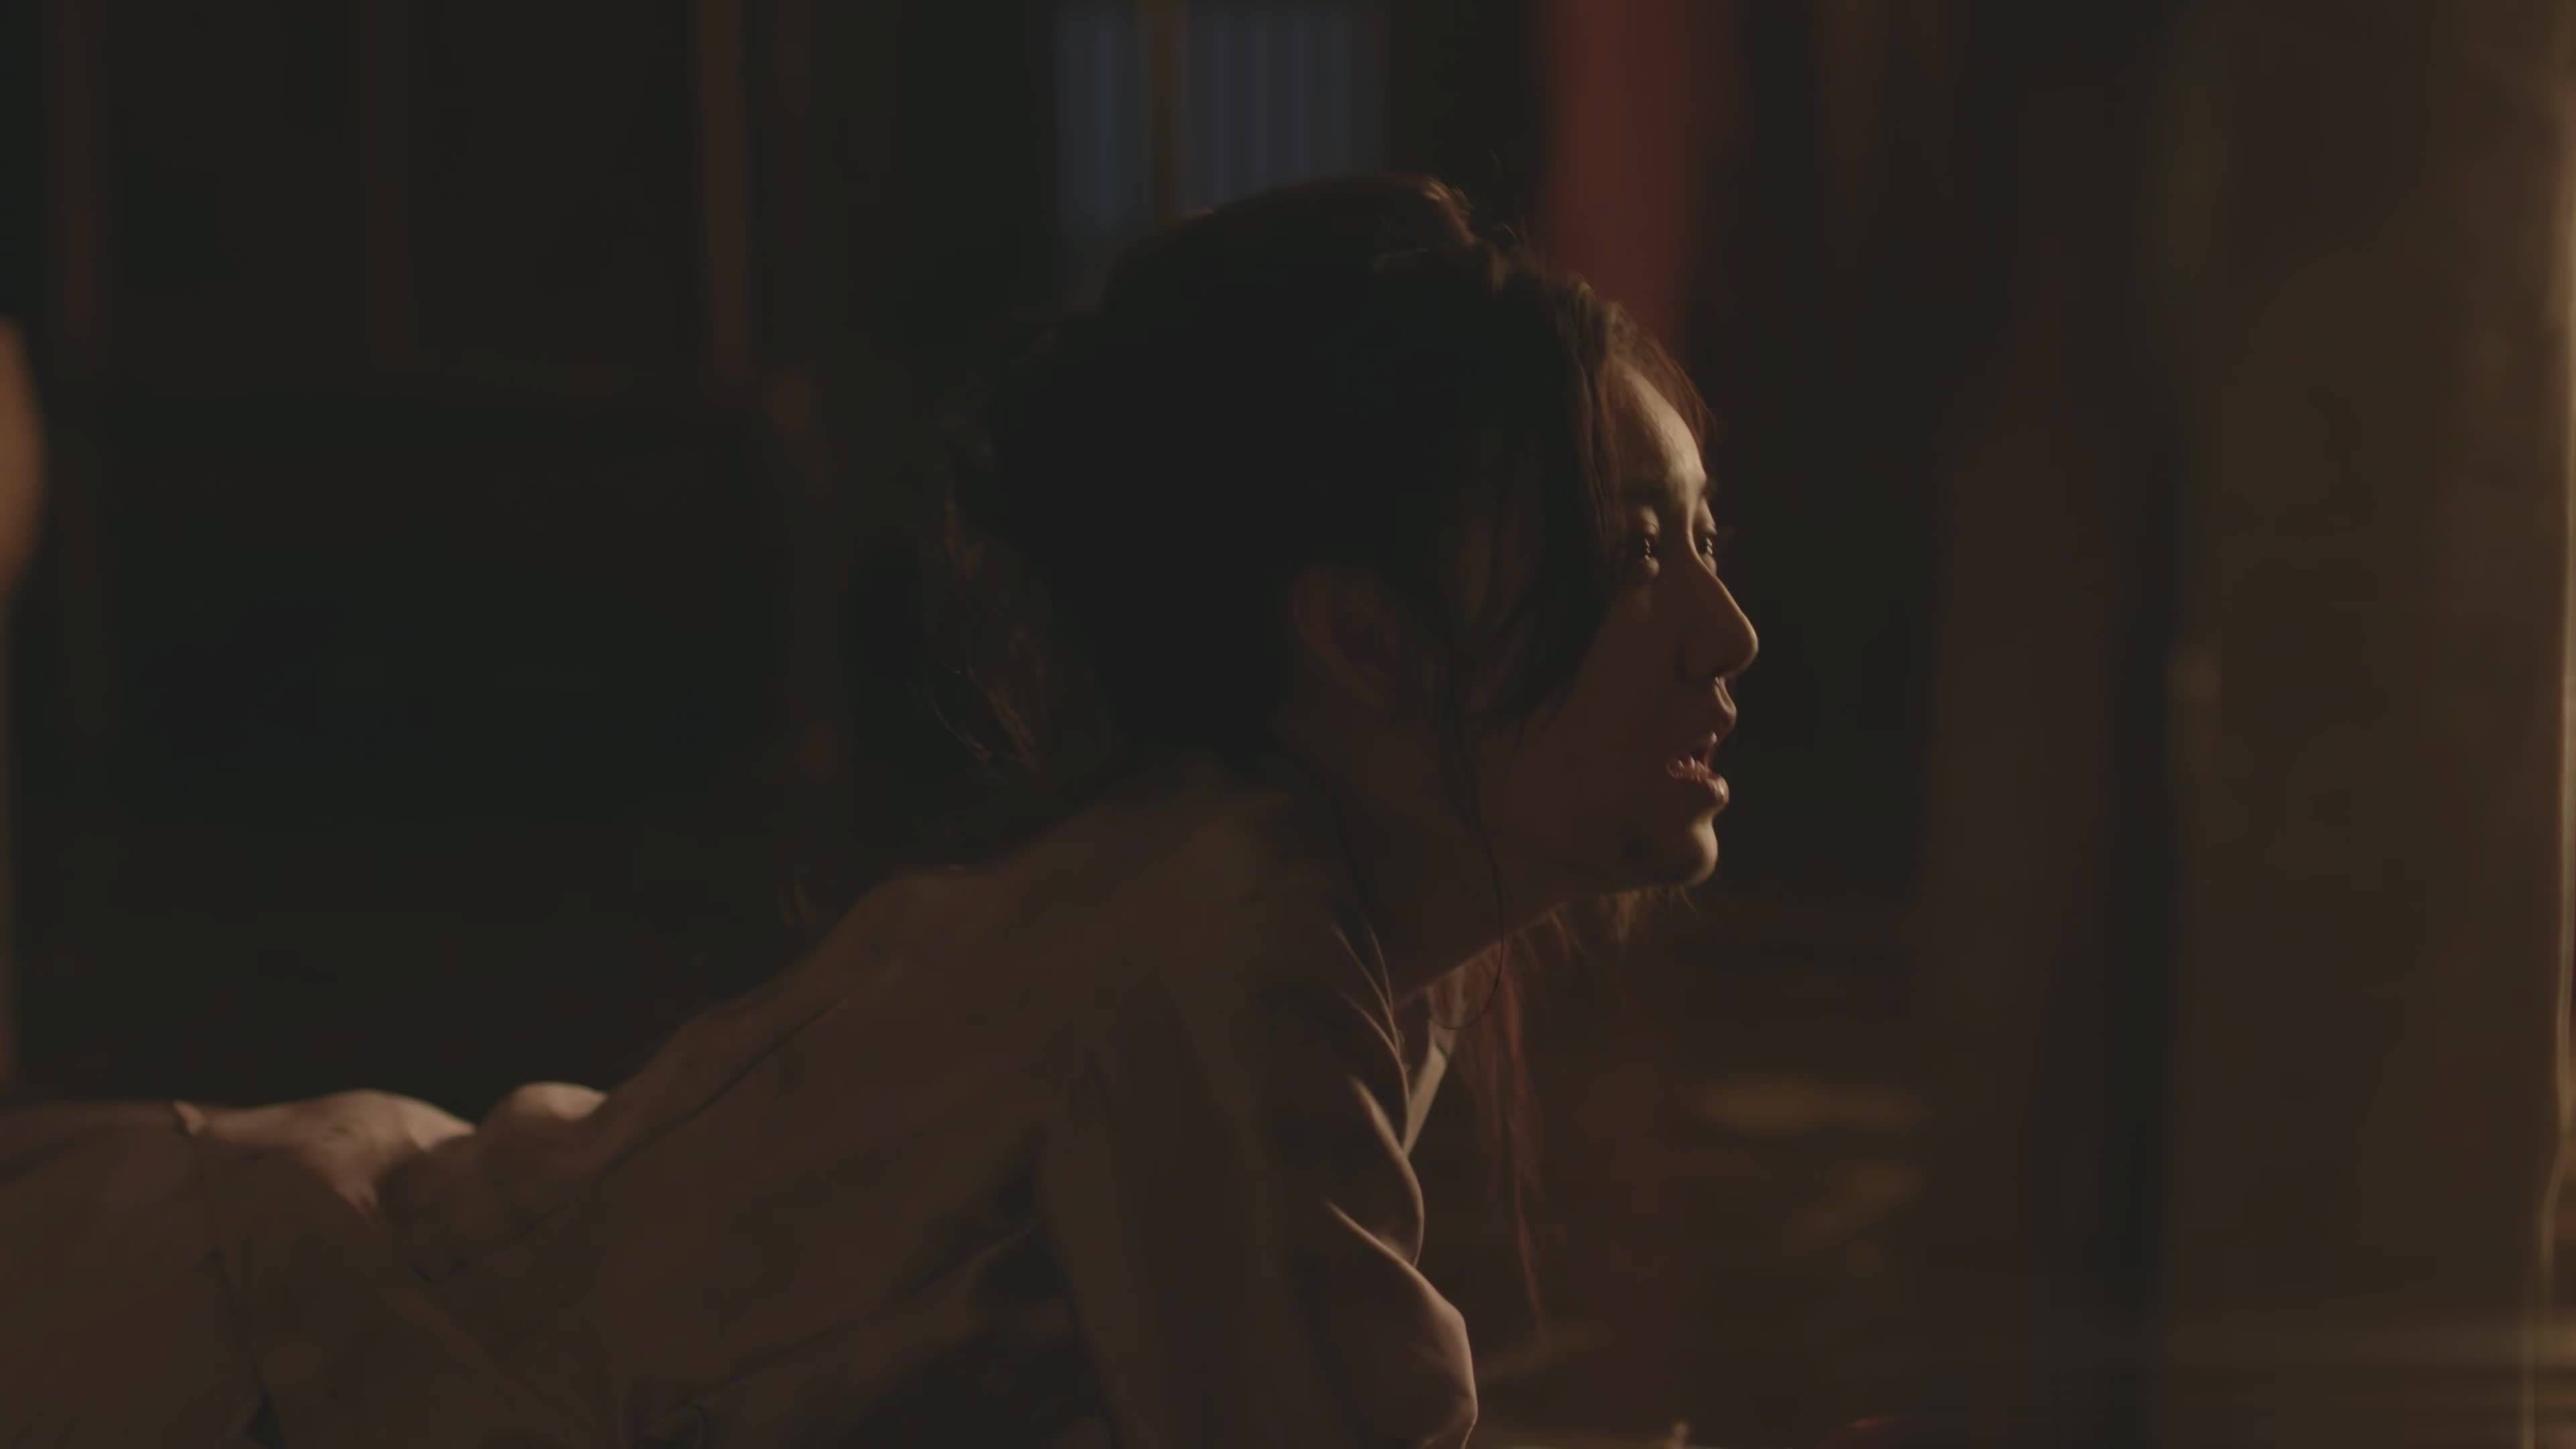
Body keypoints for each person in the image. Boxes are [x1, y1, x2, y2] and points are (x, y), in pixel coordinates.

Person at [0, 175, 1756, 1447]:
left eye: (1700, 541)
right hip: (244, 1374)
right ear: (1363, 637)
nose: (1726, 635)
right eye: (1633, 555)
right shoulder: (1232, 936)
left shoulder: (1243, 874)